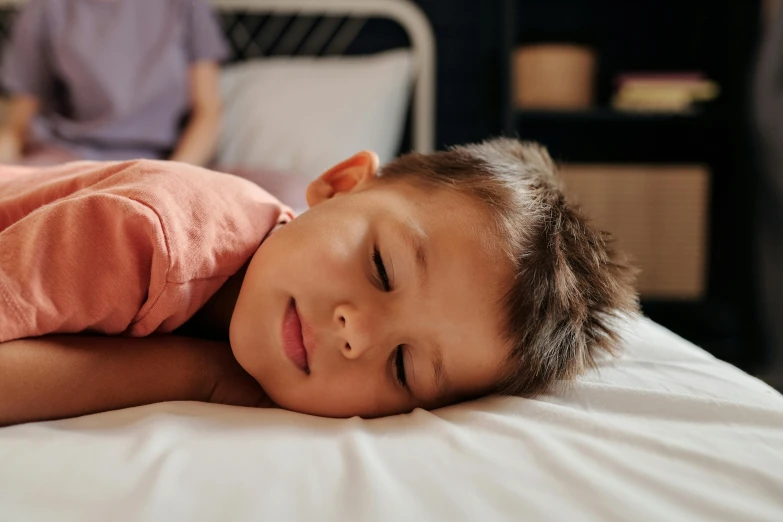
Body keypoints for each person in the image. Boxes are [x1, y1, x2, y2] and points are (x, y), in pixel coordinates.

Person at [0, 139, 638, 425]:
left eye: (403, 368)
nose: (356, 332)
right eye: (382, 268)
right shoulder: (156, 231)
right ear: (339, 185)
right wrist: (195, 373)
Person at [0, 0, 228, 167]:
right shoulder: (44, 8)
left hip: (161, 163)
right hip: (64, 159)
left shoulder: (187, 7)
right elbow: (19, 125)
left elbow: (207, 113)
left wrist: (174, 174)